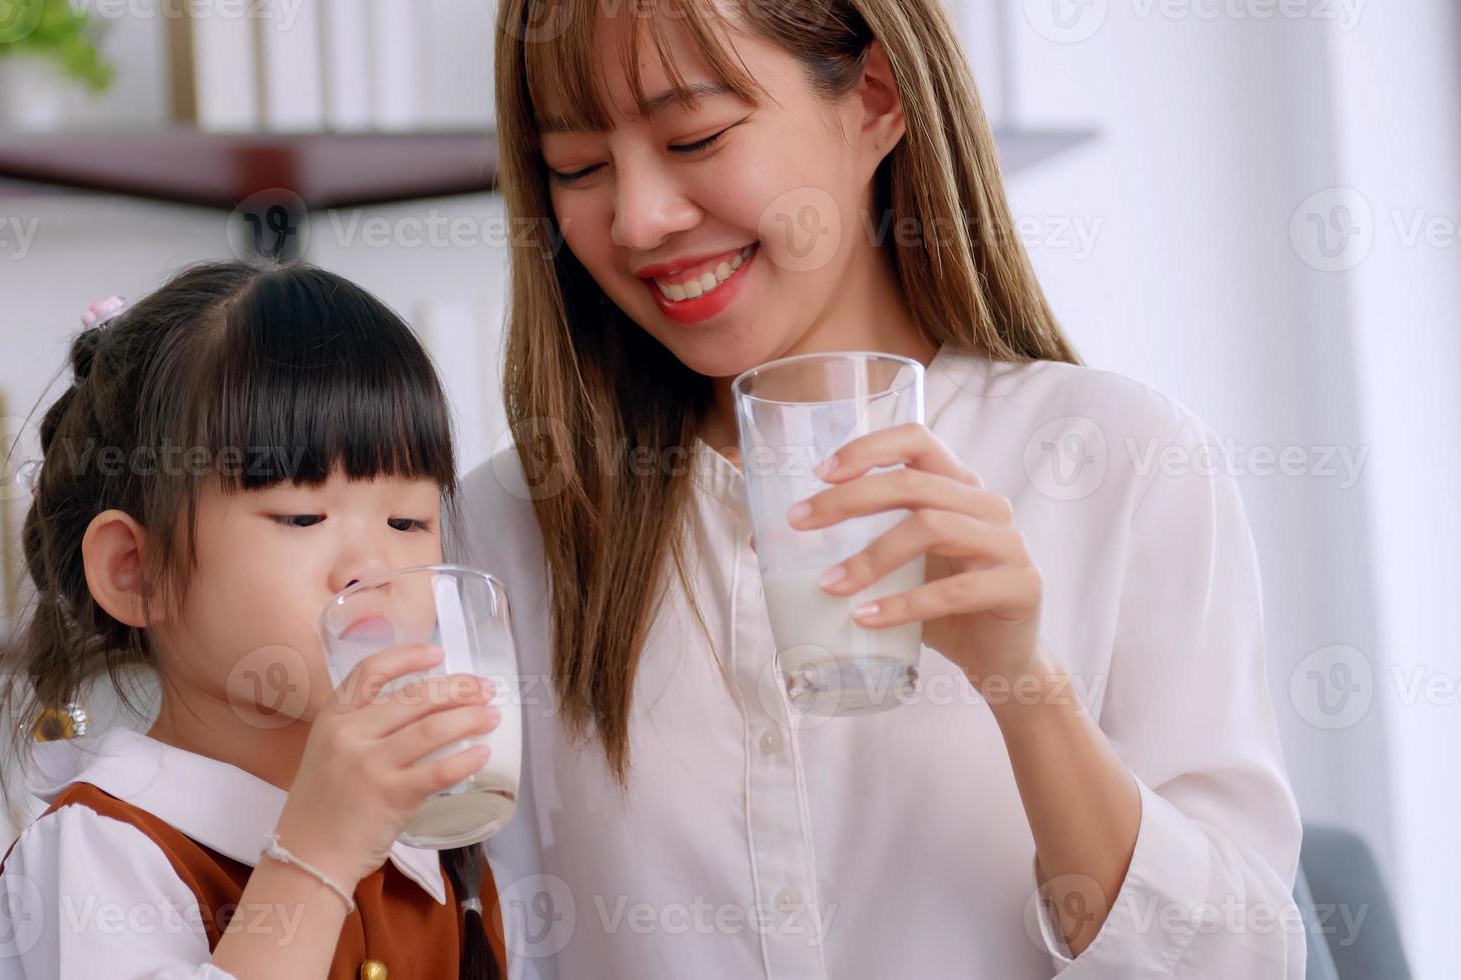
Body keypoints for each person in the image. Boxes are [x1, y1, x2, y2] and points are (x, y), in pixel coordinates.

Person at [463, 1, 1304, 976]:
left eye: (693, 136)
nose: (638, 216)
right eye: (576, 166)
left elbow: (1240, 960)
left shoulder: (1117, 463)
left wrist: (1025, 688)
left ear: (873, 97)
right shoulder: (505, 528)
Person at [0, 262, 506, 980]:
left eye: (408, 520)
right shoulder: (99, 852)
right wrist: (315, 856)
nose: (372, 566)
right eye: (301, 516)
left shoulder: (437, 843)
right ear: (136, 570)